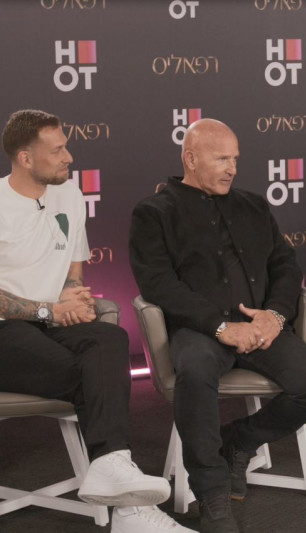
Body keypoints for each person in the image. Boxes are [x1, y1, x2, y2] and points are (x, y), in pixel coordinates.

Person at [129, 118, 306, 533]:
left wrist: (275, 315)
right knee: (195, 372)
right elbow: (158, 284)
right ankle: (212, 492)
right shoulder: (154, 212)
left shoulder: (253, 205)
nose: (233, 168)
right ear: (191, 159)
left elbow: (285, 265)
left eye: (236, 159)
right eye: (222, 159)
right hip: (199, 331)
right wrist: (220, 328)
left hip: (260, 326)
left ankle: (239, 440)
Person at [0, 110, 192, 532]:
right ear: (26, 158)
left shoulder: (68, 194)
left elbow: (74, 265)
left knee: (109, 340)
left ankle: (113, 473)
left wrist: (74, 295)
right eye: (57, 150)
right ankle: (129, 509)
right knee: (93, 375)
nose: (69, 157)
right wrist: (49, 309)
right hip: (5, 330)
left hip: (49, 324)